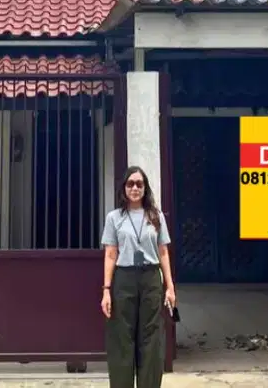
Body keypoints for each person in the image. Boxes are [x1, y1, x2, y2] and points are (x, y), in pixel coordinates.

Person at [100, 166, 176, 388]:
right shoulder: (114, 218)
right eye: (130, 184)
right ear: (124, 188)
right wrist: (106, 290)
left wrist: (170, 287)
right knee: (121, 336)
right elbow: (110, 254)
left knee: (151, 336)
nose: (135, 188)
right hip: (124, 278)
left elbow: (163, 252)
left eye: (139, 184)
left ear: (145, 188)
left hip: (151, 278)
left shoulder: (156, 216)